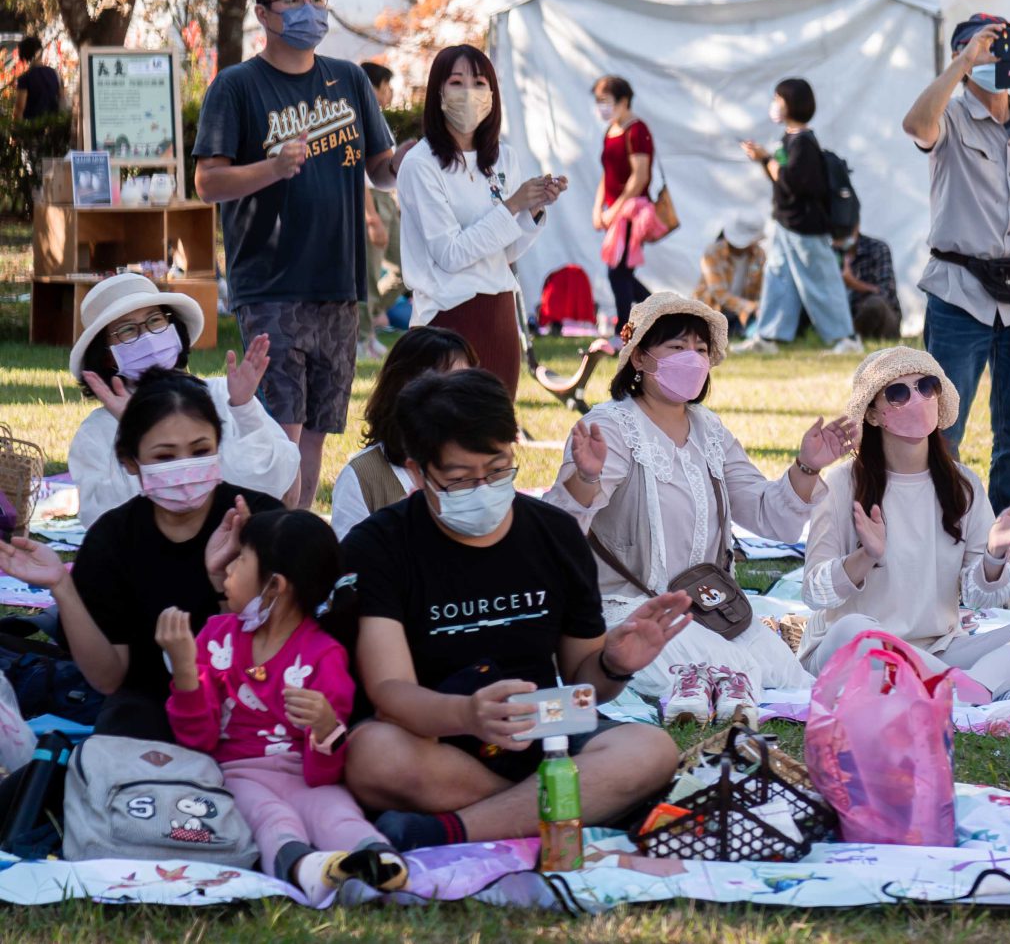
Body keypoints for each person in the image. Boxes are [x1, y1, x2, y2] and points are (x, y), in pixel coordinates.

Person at [339, 368, 689, 849]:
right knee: (372, 756)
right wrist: (468, 714)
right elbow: (390, 692)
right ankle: (578, 804)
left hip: (541, 722)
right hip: (435, 732)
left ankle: (448, 829)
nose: (484, 489)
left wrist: (614, 662)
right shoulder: (379, 544)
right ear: (419, 472)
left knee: (651, 748)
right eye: (460, 480)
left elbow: (585, 684)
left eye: (499, 469)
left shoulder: (555, 534)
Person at [550, 293, 850, 719]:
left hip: (711, 607)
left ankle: (714, 683)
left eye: (701, 349)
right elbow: (559, 530)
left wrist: (806, 466)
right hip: (633, 611)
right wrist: (585, 477)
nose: (692, 358)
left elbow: (767, 514)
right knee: (743, 669)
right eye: (676, 347)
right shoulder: (609, 428)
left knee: (785, 672)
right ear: (639, 358)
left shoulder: (710, 430)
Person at [193, 0, 400, 508]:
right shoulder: (236, 87)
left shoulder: (350, 79)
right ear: (262, 13)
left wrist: (422, 153)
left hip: (339, 282)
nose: (309, 11)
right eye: (294, 2)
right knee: (280, 426)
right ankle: (276, 547)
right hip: (271, 285)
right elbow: (207, 183)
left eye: (317, 0)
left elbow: (380, 167)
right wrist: (273, 169)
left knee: (315, 431)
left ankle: (300, 534)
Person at [0, 373, 283, 737]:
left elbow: (284, 653)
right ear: (131, 461)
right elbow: (109, 679)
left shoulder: (259, 520)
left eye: (200, 451)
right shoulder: (112, 539)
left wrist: (229, 585)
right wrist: (62, 587)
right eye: (165, 456)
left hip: (259, 700)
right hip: (150, 707)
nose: (184, 467)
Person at [164, 509, 409, 899]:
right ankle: (303, 867)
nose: (227, 569)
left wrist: (327, 726)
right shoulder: (216, 637)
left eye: (240, 559)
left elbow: (322, 776)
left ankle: (376, 859)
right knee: (269, 816)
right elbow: (199, 741)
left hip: (303, 775)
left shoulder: (323, 654)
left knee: (335, 810)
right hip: (238, 774)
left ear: (274, 585)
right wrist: (185, 672)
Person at [798, 348, 1010, 695]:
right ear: (874, 414)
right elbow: (814, 591)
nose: (917, 399)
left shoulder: (962, 485)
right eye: (898, 393)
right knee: (856, 630)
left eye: (926, 386)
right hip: (856, 649)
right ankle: (958, 688)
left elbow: (982, 596)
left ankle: (971, 688)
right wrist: (867, 555)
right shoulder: (841, 483)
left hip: (939, 648)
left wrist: (996, 553)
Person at [901, 14, 1010, 510]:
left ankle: (1004, 533)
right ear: (962, 57)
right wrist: (966, 60)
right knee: (943, 422)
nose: (997, 56)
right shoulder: (947, 116)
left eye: (1004, 46)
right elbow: (915, 124)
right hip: (960, 293)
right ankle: (941, 527)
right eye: (986, 48)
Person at [395, 44, 561, 397]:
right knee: (443, 428)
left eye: (480, 83)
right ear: (437, 92)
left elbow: (508, 251)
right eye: (456, 82)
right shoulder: (420, 163)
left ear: (492, 93)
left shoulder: (504, 158)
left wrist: (532, 210)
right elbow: (450, 254)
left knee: (495, 433)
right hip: (446, 315)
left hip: (498, 310)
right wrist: (512, 205)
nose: (469, 93)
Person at [65, 270, 296, 516]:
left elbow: (273, 483)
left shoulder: (223, 395)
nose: (147, 336)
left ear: (173, 328)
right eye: (128, 330)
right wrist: (134, 430)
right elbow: (101, 516)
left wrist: (244, 409)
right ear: (106, 355)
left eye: (155, 321)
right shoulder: (96, 432)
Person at [734, 77, 859, 354]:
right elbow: (781, 182)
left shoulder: (803, 143)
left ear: (792, 104)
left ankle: (846, 337)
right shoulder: (790, 139)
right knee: (778, 278)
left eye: (778, 99)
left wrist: (766, 159)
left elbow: (793, 182)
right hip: (785, 222)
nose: (774, 105)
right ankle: (768, 336)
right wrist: (764, 159)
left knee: (821, 280)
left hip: (806, 226)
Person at [330, 324, 473, 537]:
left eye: (467, 385)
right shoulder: (363, 476)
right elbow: (351, 563)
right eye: (448, 385)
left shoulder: (479, 463)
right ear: (405, 390)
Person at [592, 76, 659, 332]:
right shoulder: (610, 131)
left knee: (618, 272)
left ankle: (626, 327)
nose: (601, 107)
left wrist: (616, 209)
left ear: (623, 100)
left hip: (634, 211)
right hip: (616, 212)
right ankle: (660, 313)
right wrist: (598, 208)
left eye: (605, 101)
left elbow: (640, 175)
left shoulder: (637, 130)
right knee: (623, 273)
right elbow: (607, 174)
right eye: (598, 102)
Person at [359, 62, 403, 342]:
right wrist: (371, 216)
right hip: (371, 200)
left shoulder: (379, 119)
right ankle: (363, 337)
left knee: (405, 269)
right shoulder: (359, 118)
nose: (390, 95)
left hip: (387, 199)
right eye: (386, 88)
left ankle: (370, 318)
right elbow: (358, 173)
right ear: (373, 88)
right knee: (370, 274)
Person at [842, 218, 904, 342]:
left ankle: (852, 338)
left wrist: (853, 283)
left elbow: (885, 292)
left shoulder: (878, 248)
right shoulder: (830, 252)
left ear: (857, 225)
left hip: (883, 322)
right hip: (848, 317)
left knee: (875, 304)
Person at [12, 33, 62, 119]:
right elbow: (61, 98)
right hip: (53, 126)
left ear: (24, 56)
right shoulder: (54, 73)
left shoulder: (25, 79)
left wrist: (15, 128)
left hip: (32, 128)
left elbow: (19, 108)